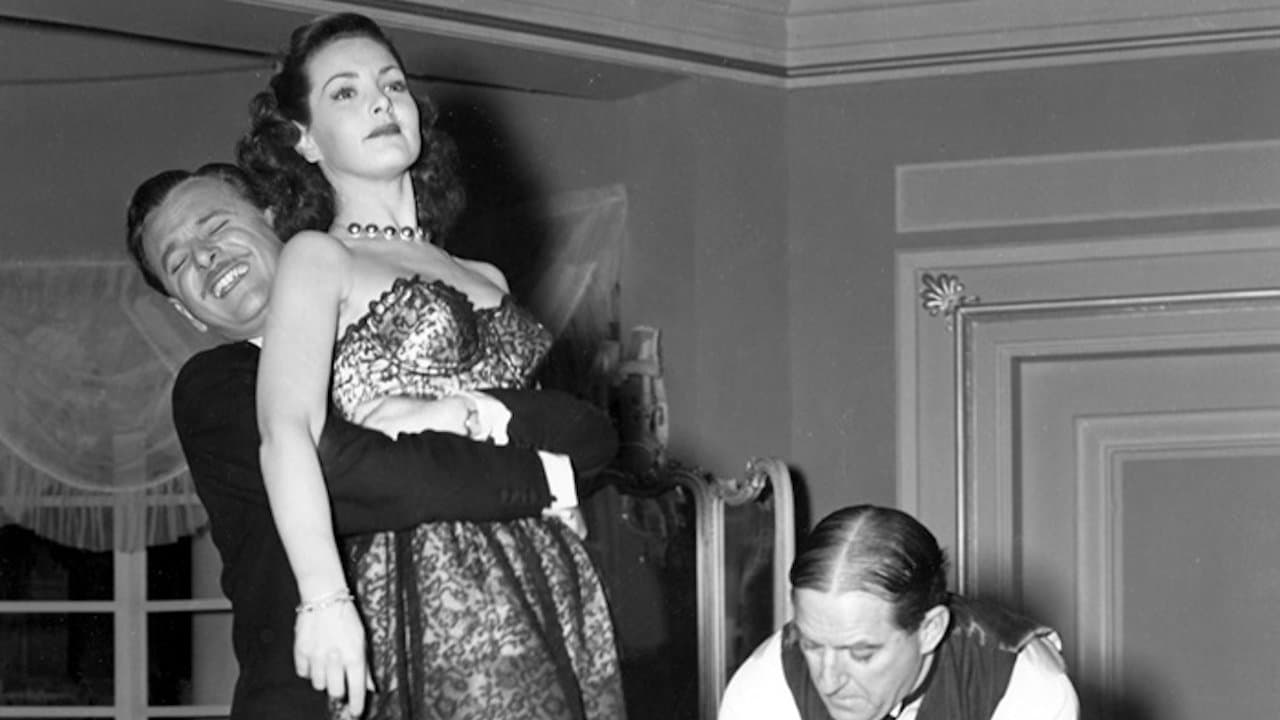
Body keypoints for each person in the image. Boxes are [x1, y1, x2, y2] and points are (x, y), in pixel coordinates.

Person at [237, 12, 625, 719]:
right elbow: (285, 431)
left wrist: (456, 413)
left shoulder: (486, 275)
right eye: (345, 92)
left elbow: (561, 433)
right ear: (303, 139)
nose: (381, 102)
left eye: (392, 85)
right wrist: (323, 599)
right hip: (431, 569)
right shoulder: (318, 258)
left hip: (550, 563)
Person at [125, 162, 617, 719]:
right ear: (186, 312)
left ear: (276, 222)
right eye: (179, 263)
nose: (205, 257)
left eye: (215, 227)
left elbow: (589, 436)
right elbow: (356, 476)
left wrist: (468, 412)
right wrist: (547, 479)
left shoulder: (392, 345)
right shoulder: (216, 385)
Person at [719, 504, 1079, 720]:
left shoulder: (1023, 685)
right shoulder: (765, 686)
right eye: (811, 645)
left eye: (861, 653)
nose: (828, 681)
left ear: (930, 630)